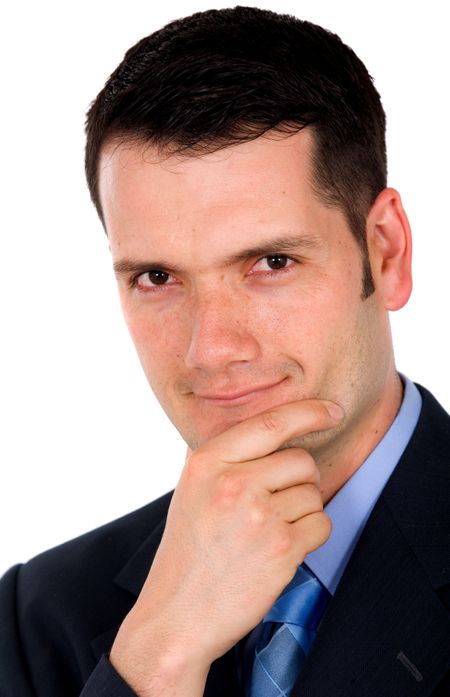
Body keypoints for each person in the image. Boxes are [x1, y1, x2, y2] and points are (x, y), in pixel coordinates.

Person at [0, 5, 449, 696]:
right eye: (157, 277)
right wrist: (159, 656)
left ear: (385, 252)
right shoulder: (36, 617)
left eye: (271, 261)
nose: (211, 348)